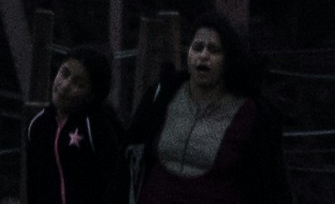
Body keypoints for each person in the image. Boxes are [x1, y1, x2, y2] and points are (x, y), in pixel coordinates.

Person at [131, 18, 279, 204]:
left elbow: (269, 181)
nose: (203, 55)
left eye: (214, 50)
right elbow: (130, 152)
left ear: (228, 59)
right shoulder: (163, 95)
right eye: (197, 47)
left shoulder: (250, 113)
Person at [26, 45, 129, 204]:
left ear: (91, 95)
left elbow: (118, 185)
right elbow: (33, 184)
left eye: (78, 84)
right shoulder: (38, 125)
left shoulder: (95, 126)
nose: (65, 85)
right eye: (64, 73)